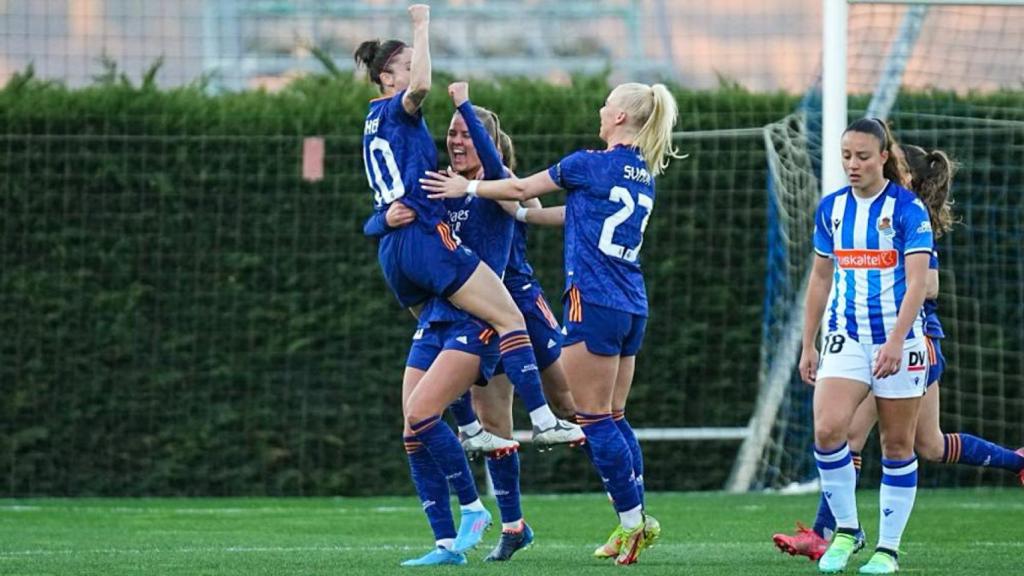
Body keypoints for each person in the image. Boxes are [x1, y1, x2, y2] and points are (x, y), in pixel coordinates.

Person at [421, 82, 683, 565]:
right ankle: (636, 515)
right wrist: (519, 213)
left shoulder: (588, 161)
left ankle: (632, 525)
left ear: (622, 117)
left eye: (606, 104)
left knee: (592, 417)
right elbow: (570, 214)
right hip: (632, 303)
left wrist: (470, 187)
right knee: (615, 416)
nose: (600, 110)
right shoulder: (641, 172)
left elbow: (521, 185)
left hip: (594, 301)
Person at [361, 79, 583, 565]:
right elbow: (380, 219)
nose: (455, 142)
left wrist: (464, 108)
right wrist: (388, 219)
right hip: (454, 318)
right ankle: (510, 525)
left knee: (574, 403)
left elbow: (524, 204)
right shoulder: (438, 184)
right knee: (488, 426)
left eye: (465, 134)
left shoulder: (499, 186)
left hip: (508, 308)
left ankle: (622, 495)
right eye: (451, 134)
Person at [773, 143, 1024, 563]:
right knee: (928, 444)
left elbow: (929, 285)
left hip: (911, 341)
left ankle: (830, 533)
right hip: (875, 341)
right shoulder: (857, 215)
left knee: (861, 436)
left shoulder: (908, 217)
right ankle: (1014, 460)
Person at [798, 118, 934, 575]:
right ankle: (848, 530)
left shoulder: (907, 209)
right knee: (827, 430)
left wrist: (897, 340)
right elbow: (820, 277)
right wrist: (808, 344)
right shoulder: (832, 209)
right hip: (846, 337)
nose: (852, 165)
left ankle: (888, 549)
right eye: (846, 156)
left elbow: (919, 283)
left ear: (883, 157)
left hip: (899, 341)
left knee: (898, 445)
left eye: (861, 156)